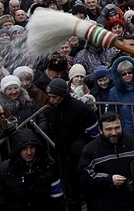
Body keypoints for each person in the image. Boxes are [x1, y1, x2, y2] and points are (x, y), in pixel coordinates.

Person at [78, 112, 134, 211]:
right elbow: (85, 176)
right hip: (104, 203)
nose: (114, 133)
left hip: (133, 201)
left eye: (117, 128)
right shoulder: (90, 150)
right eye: (109, 129)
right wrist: (109, 179)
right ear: (100, 130)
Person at [44, 78, 99, 211]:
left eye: (54, 97)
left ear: (62, 95)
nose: (51, 101)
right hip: (64, 158)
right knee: (71, 195)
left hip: (82, 158)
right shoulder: (54, 110)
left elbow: (94, 134)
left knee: (89, 193)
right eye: (50, 97)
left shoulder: (81, 109)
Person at [0, 129, 64, 211]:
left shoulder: (48, 164)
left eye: (32, 147)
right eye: (24, 148)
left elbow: (57, 195)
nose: (29, 152)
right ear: (18, 149)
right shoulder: (5, 170)